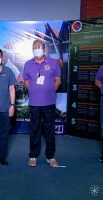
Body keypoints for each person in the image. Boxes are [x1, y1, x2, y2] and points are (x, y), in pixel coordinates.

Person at [23, 39, 61, 167]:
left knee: (49, 130)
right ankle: (33, 156)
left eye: (40, 46)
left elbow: (57, 80)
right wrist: (35, 91)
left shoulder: (53, 63)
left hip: (49, 103)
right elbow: (26, 81)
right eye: (35, 46)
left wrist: (49, 91)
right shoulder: (28, 64)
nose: (37, 48)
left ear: (44, 49)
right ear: (32, 49)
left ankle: (50, 157)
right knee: (34, 130)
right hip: (34, 103)